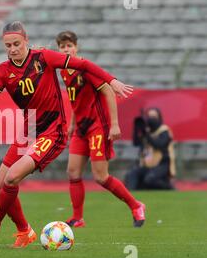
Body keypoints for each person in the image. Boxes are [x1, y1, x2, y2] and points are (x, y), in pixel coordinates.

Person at [0, 21, 136, 248]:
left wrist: (111, 80)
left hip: (52, 129)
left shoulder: (44, 58)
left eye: (16, 44)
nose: (12, 49)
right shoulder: (3, 71)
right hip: (29, 130)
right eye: (8, 45)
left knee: (11, 178)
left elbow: (84, 64)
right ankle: (24, 231)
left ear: (26, 40)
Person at [56, 30, 146, 228]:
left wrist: (114, 124)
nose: (66, 49)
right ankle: (77, 218)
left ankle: (136, 205)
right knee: (72, 172)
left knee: (100, 176)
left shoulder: (85, 69)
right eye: (62, 47)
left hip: (98, 126)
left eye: (69, 46)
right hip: (81, 127)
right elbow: (75, 100)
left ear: (76, 47)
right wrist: (72, 124)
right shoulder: (63, 70)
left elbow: (108, 91)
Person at [125, 107, 176, 190]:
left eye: (154, 117)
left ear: (159, 118)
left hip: (162, 164)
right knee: (131, 175)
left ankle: (169, 187)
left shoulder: (164, 130)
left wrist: (147, 134)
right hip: (147, 165)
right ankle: (132, 196)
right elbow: (136, 143)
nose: (151, 119)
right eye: (149, 116)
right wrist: (136, 129)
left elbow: (159, 144)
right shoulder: (146, 130)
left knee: (150, 179)